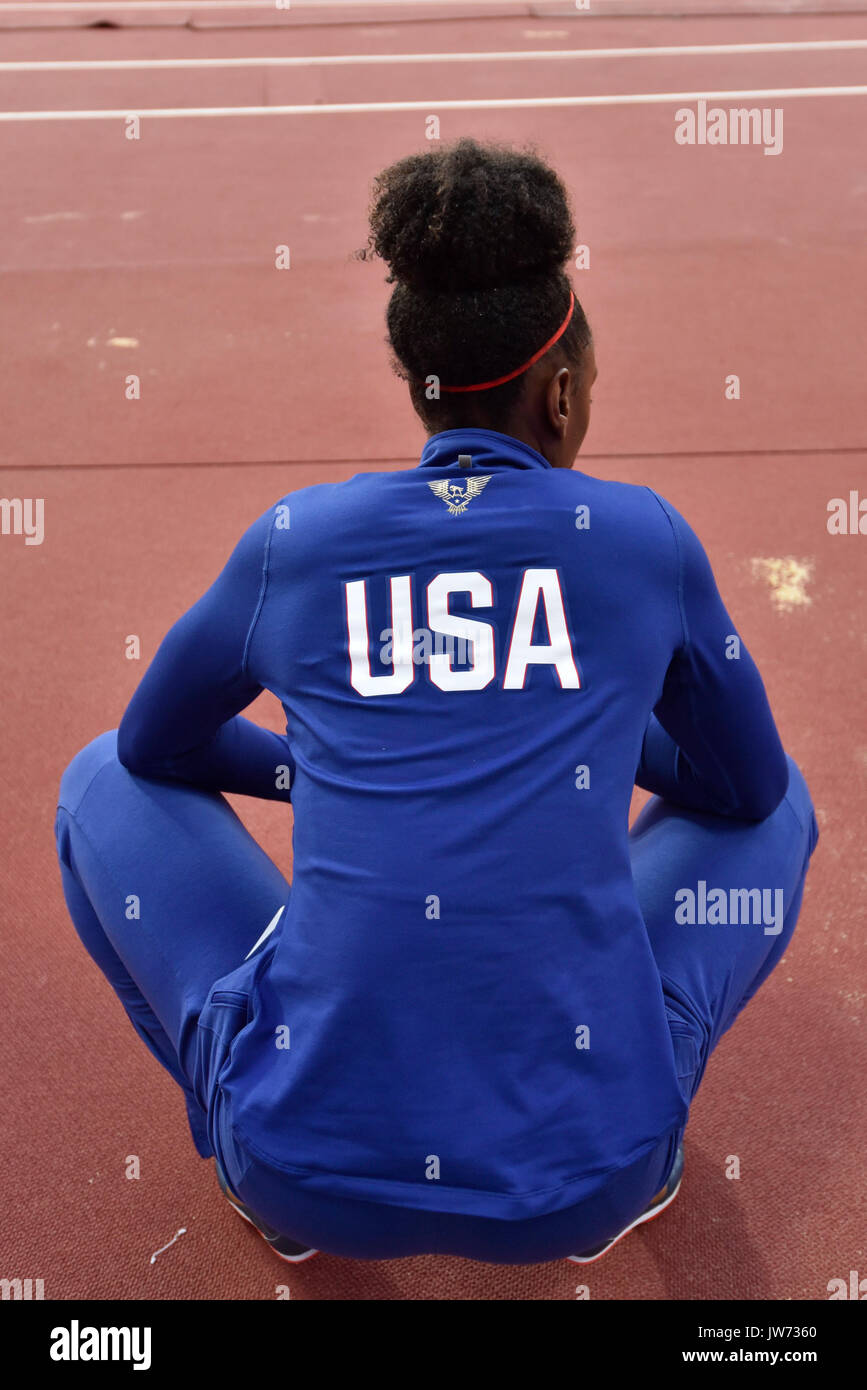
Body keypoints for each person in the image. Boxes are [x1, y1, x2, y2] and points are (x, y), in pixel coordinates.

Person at [55, 138, 818, 1266]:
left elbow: (150, 744)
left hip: (301, 1166)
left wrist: (298, 765)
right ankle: (640, 1147)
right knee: (788, 807)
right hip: (587, 1178)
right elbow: (745, 789)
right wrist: (601, 721)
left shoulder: (296, 544)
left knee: (95, 780)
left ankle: (258, 1160)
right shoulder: (641, 540)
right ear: (561, 397)